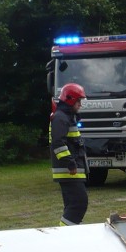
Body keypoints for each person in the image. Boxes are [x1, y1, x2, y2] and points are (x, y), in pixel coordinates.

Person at [49, 83, 88, 225]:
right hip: (69, 170)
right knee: (78, 204)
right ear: (70, 99)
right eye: (78, 101)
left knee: (73, 206)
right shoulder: (61, 118)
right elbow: (58, 143)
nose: (80, 105)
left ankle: (70, 232)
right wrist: (70, 162)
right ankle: (65, 233)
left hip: (71, 169)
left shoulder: (66, 116)